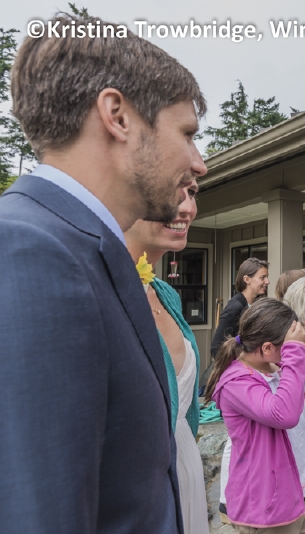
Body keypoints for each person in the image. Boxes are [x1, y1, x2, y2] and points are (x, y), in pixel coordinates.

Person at [0, 14, 206, 532]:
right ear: (117, 116)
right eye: (187, 133)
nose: (199, 162)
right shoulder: (29, 250)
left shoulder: (84, 246)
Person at [124, 178, 209, 534]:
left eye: (192, 193)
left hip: (185, 459)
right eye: (173, 191)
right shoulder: (106, 290)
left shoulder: (166, 294)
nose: (187, 207)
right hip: (139, 484)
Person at [208, 299, 305, 534]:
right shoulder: (236, 382)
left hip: (302, 492)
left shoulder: (277, 367)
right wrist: (295, 352)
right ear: (267, 348)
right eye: (286, 346)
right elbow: (284, 414)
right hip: (268, 505)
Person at [211, 258, 270, 358]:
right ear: (246, 279)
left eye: (267, 277)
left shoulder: (258, 304)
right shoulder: (234, 308)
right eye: (262, 278)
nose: (267, 281)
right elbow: (216, 349)